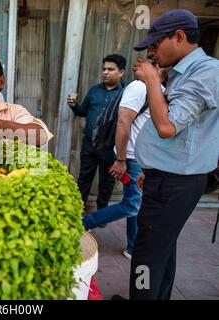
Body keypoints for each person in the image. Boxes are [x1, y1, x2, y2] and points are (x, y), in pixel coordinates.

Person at [128, 9, 219, 300]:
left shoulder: (206, 71)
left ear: (179, 37)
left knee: (145, 255)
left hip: (176, 183)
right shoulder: (186, 72)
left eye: (155, 44)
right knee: (162, 248)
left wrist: (153, 82)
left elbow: (167, 126)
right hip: (168, 176)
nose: (152, 52)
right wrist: (151, 167)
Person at [83, 62, 169, 260]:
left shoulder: (160, 89)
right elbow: (123, 121)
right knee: (132, 205)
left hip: (143, 158)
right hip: (131, 157)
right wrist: (121, 160)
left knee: (135, 203)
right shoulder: (140, 87)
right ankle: (84, 223)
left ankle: (133, 246)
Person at [68, 54, 127, 212]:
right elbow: (83, 112)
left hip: (110, 146)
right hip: (90, 143)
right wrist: (74, 106)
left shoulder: (126, 94)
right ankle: (77, 209)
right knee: (84, 178)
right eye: (104, 69)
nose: (105, 72)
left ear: (121, 72)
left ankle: (102, 210)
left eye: (110, 69)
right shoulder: (94, 91)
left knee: (107, 181)